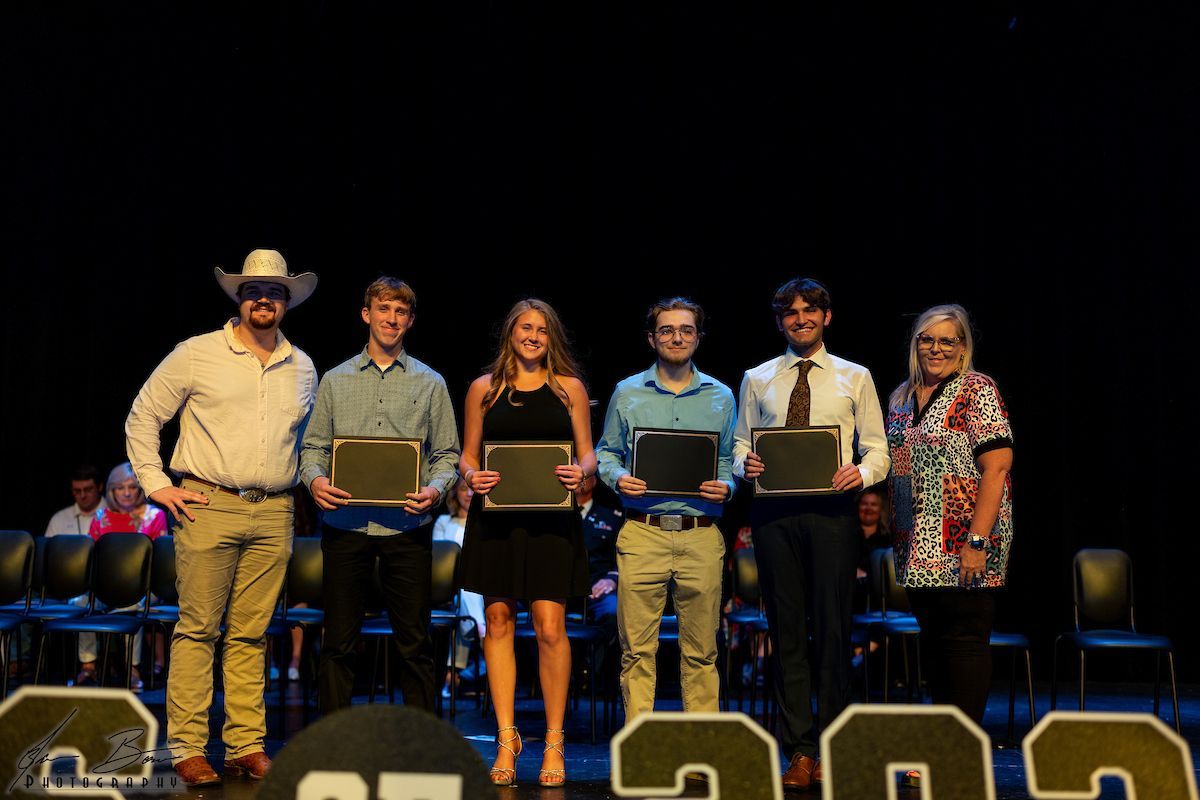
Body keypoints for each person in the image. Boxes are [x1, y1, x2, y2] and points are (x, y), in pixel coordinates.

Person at [125, 249, 317, 787]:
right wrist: (157, 485)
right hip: (207, 503)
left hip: (275, 509)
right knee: (198, 630)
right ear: (239, 296)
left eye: (274, 291)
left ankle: (245, 745)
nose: (264, 299)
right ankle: (187, 747)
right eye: (255, 290)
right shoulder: (197, 353)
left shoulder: (302, 366)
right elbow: (144, 416)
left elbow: (303, 442)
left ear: (286, 302)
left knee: (252, 635)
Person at [733, 278, 890, 790]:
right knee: (787, 634)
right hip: (775, 516)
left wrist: (860, 475)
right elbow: (738, 445)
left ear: (827, 317)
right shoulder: (757, 379)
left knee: (832, 631)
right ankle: (801, 750)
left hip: (832, 517)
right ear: (780, 321)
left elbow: (879, 452)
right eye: (790, 313)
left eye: (809, 311)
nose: (800, 319)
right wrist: (744, 463)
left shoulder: (855, 376)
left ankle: (832, 744)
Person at [301, 276, 460, 716]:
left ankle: (421, 744)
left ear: (410, 321)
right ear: (366, 314)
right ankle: (335, 740)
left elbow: (447, 453)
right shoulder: (335, 380)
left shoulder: (430, 383)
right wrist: (315, 481)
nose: (392, 319)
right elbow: (312, 448)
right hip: (345, 524)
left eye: (401, 312)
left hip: (407, 526)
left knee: (414, 643)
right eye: (384, 309)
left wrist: (435, 489)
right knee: (338, 642)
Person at [457, 299, 595, 788]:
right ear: (510, 334)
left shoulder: (568, 389)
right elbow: (467, 457)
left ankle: (554, 740)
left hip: (552, 523)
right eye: (525, 327)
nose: (533, 335)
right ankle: (506, 737)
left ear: (551, 336)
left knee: (550, 626)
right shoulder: (484, 390)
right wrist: (474, 476)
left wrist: (582, 472)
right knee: (496, 621)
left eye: (541, 329)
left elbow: (588, 455)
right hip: (496, 521)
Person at [596, 296, 735, 720]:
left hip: (701, 534)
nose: (677, 337)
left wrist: (727, 486)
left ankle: (700, 750)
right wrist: (617, 477)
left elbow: (729, 461)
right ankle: (642, 748)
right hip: (642, 531)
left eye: (686, 330)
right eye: (667, 330)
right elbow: (606, 453)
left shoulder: (721, 396)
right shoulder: (627, 392)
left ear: (698, 337)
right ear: (652, 338)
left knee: (701, 653)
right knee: (636, 651)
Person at [886, 304, 1013, 725]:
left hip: (963, 539)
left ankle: (961, 753)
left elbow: (996, 467)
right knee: (935, 644)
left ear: (962, 349)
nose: (935, 348)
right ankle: (941, 746)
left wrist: (977, 542)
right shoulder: (901, 397)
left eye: (947, 340)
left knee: (963, 642)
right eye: (927, 339)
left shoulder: (977, 389)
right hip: (916, 544)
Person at [75, 462, 167, 691]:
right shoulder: (101, 516)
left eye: (132, 487)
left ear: (140, 489)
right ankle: (88, 666)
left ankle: (132, 668)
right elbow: (92, 558)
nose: (126, 493)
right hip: (106, 588)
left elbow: (160, 563)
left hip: (145, 588)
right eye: (119, 488)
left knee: (129, 605)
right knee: (81, 603)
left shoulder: (155, 516)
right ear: (111, 491)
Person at [432, 477, 486, 695]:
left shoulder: (483, 523)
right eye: (464, 489)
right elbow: (437, 560)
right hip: (450, 590)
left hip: (483, 585)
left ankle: (453, 673)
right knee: (464, 591)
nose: (469, 494)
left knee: (468, 592)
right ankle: (482, 634)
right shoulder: (444, 523)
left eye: (473, 490)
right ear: (455, 494)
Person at [45, 465, 106, 537]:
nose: (82, 495)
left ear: (100, 487)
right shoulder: (59, 520)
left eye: (88, 489)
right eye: (77, 491)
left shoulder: (116, 512)